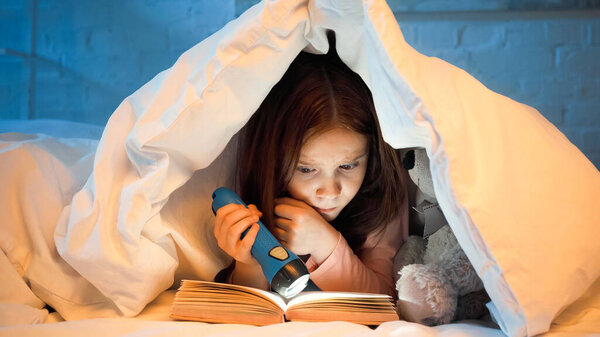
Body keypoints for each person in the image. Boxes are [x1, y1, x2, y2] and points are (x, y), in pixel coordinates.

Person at [213, 38, 408, 298]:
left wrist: (325, 244)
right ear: (274, 160)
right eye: (306, 169)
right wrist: (249, 264)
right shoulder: (256, 197)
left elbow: (385, 302)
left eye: (348, 165)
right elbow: (252, 312)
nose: (329, 191)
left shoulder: (383, 200)